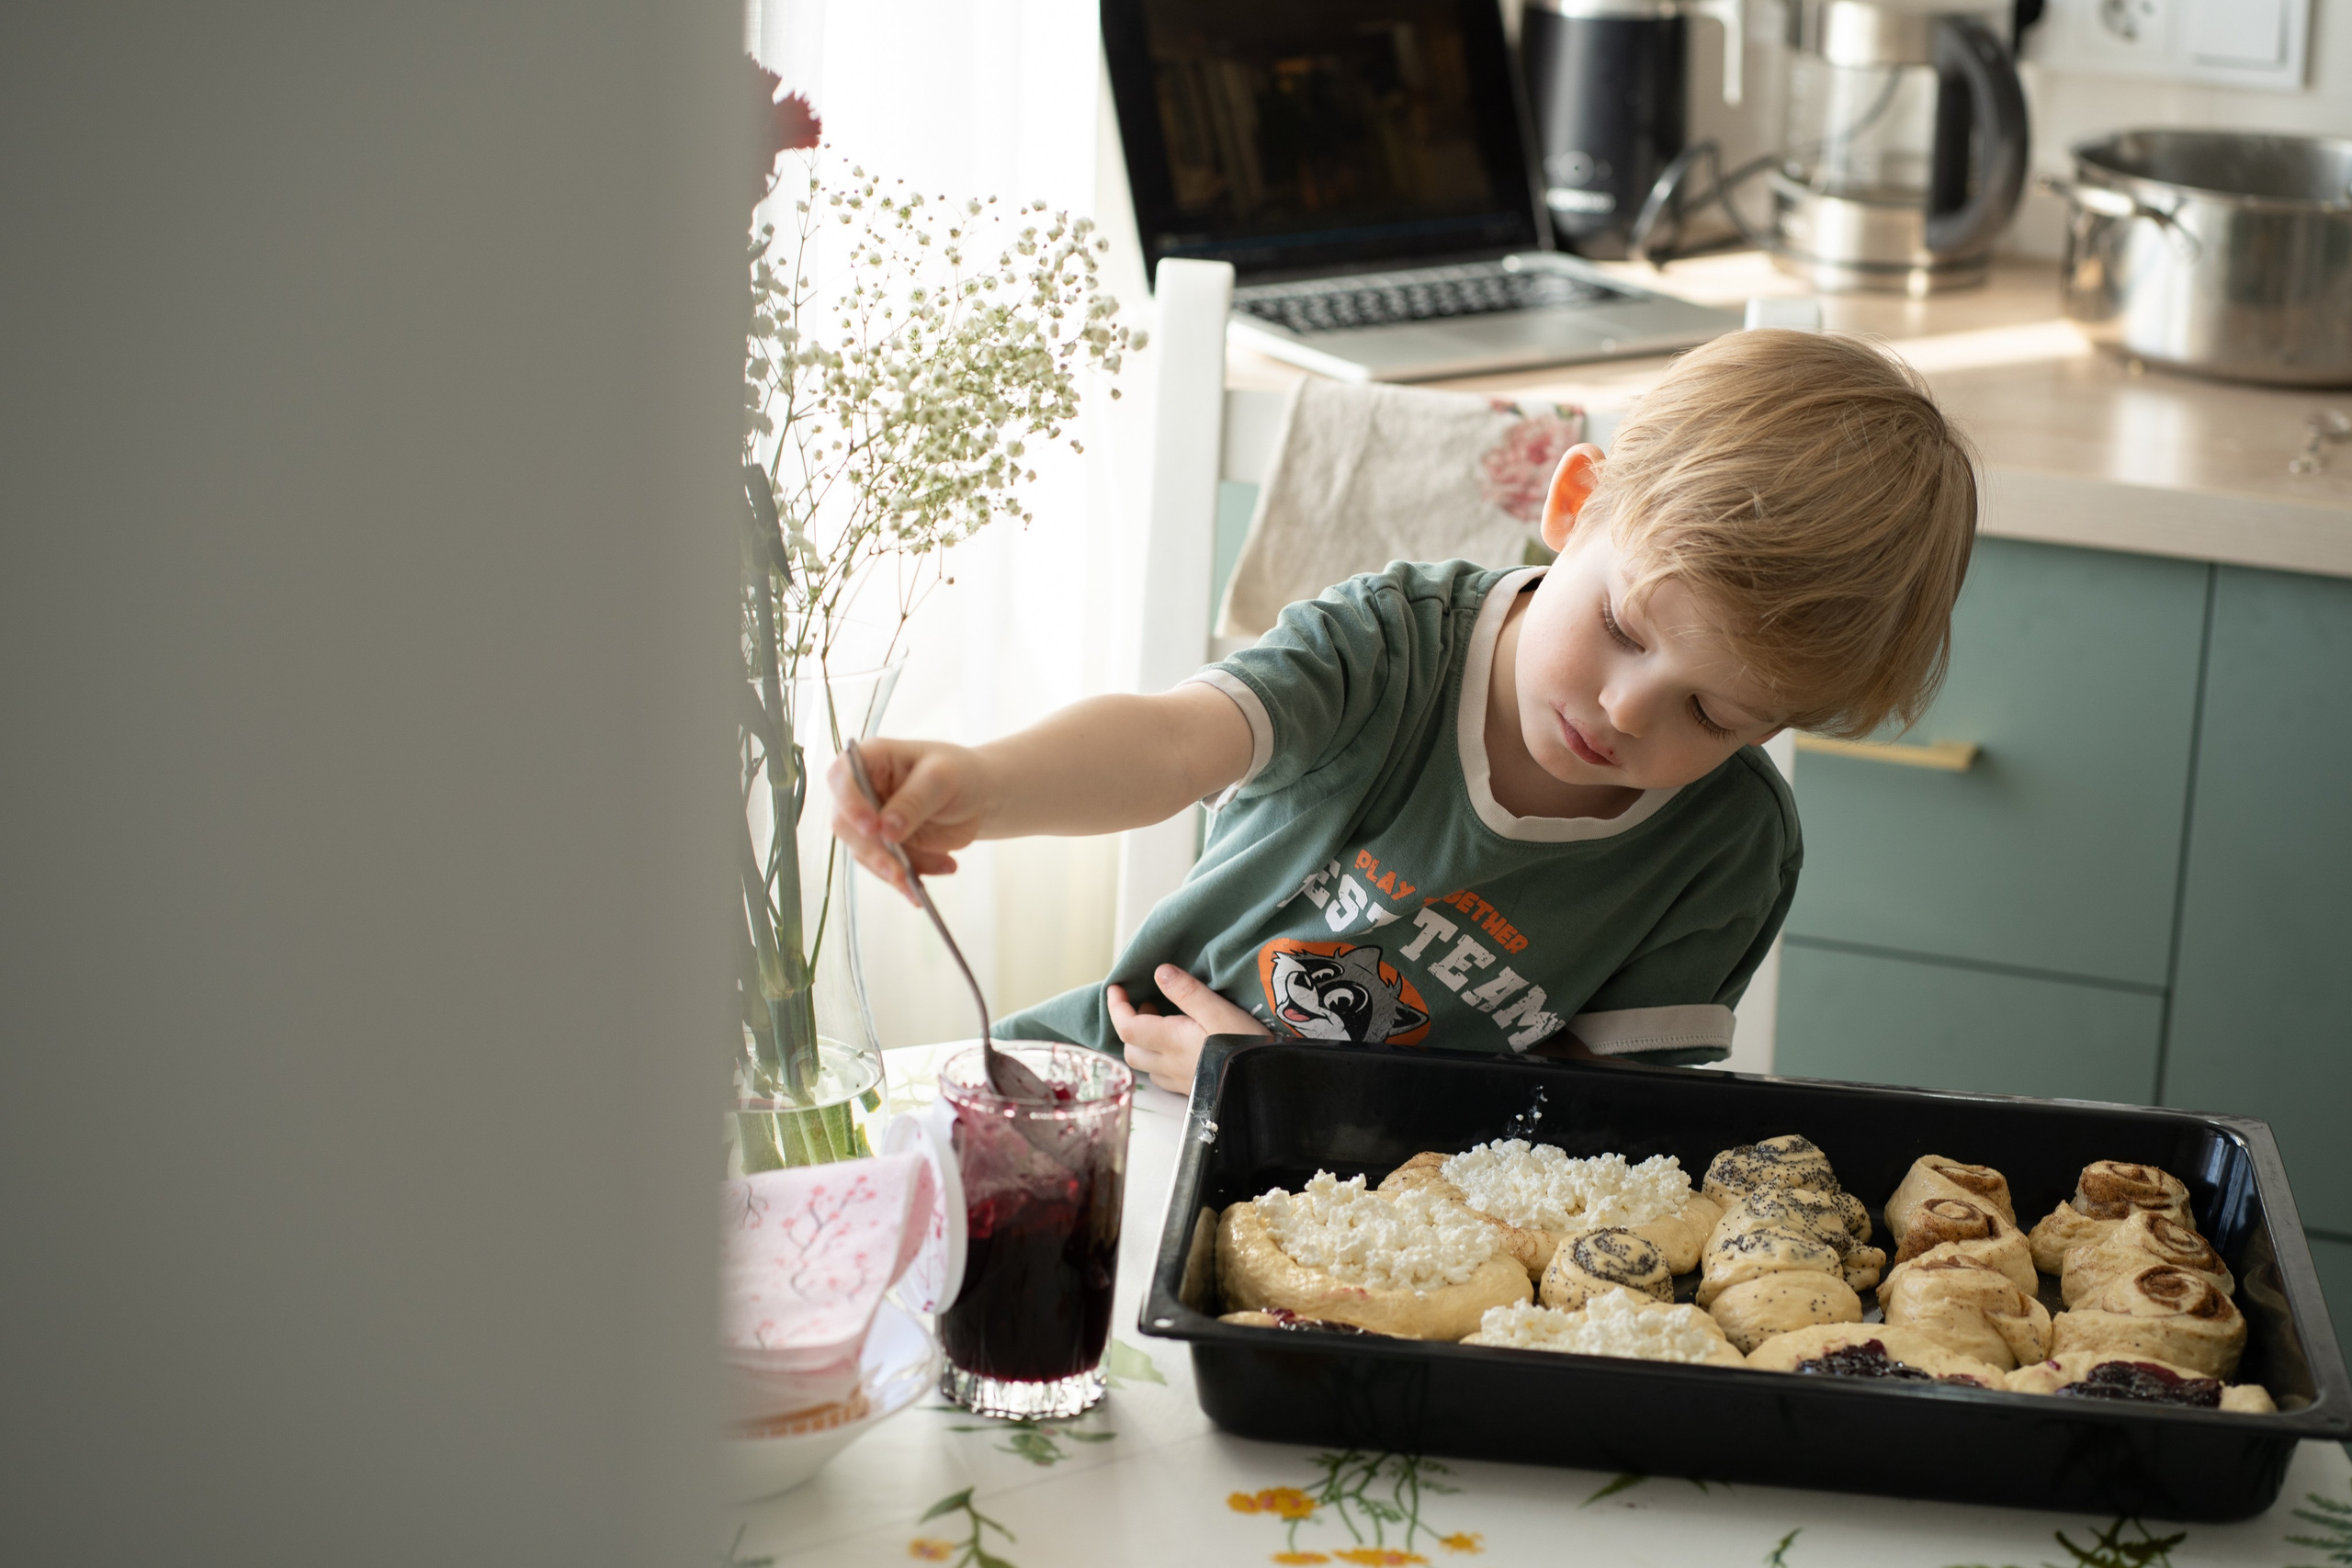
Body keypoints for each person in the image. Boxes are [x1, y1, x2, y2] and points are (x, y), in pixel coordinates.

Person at [830, 330, 1978, 1093]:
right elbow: (1171, 741)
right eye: (1623, 628)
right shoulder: (1386, 644)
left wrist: (1287, 1089)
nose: (1628, 711)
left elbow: (1597, 1136)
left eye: (1714, 714)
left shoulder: (1725, 851)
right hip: (1132, 1071)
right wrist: (989, 783)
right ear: (1573, 504)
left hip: (1397, 1203)